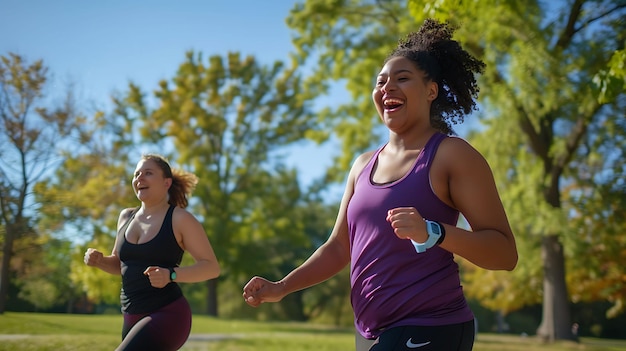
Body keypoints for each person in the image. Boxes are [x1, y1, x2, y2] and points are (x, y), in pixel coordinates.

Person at [242, 18, 517, 351]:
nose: (388, 88)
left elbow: (504, 253)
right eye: (381, 81)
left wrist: (433, 232)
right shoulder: (362, 165)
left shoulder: (451, 155)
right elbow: (339, 247)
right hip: (371, 332)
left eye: (403, 79)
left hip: (431, 326)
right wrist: (282, 287)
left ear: (432, 91)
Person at [84, 154, 220, 351]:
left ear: (167, 182)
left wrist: (171, 274)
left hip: (168, 314)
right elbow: (119, 265)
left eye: (148, 173)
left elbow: (211, 267)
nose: (140, 178)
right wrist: (99, 261)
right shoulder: (125, 217)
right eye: (137, 174)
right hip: (131, 316)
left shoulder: (180, 219)